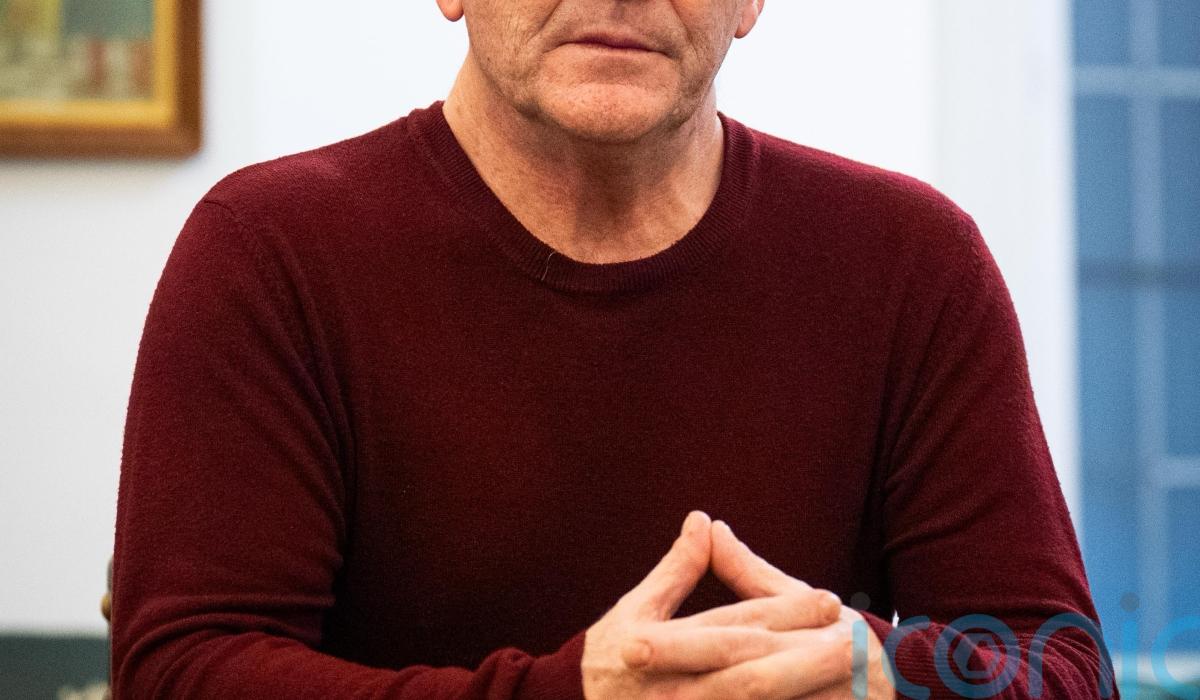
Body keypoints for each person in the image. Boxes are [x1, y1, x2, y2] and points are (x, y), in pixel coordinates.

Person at [108, 1, 1116, 698]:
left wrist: (892, 672)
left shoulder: (911, 263)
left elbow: (1064, 666)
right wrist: (571, 691)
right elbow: (180, 673)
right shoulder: (269, 253)